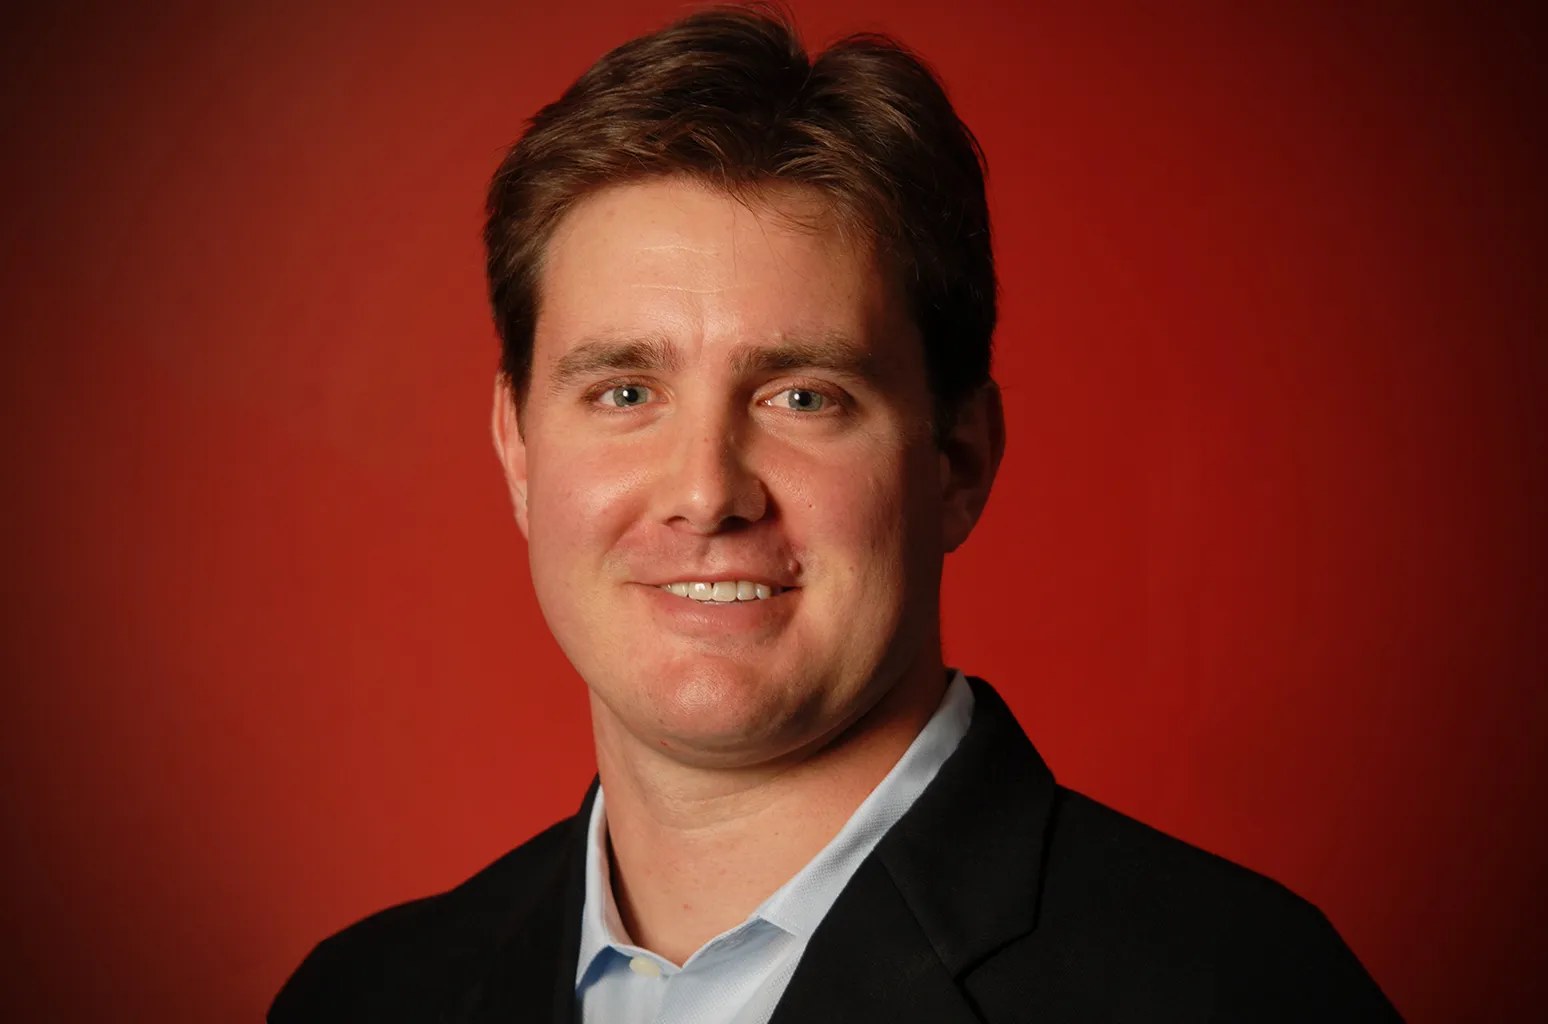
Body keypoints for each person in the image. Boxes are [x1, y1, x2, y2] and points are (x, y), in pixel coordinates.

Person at [270, 5, 1399, 1021]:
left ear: (957, 459)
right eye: (624, 392)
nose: (707, 492)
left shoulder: (1237, 994)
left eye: (803, 397)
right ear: (517, 446)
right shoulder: (362, 998)